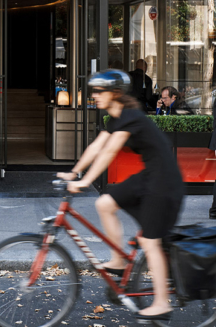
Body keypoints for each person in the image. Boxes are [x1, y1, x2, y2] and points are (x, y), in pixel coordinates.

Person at [58, 69, 184, 323]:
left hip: (165, 182)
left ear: (115, 93)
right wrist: (73, 173)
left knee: (151, 242)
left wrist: (85, 181)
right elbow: (96, 146)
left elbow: (109, 152)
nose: (94, 96)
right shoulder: (115, 117)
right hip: (151, 174)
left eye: (98, 91)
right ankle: (118, 260)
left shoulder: (131, 116)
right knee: (105, 203)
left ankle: (161, 303)